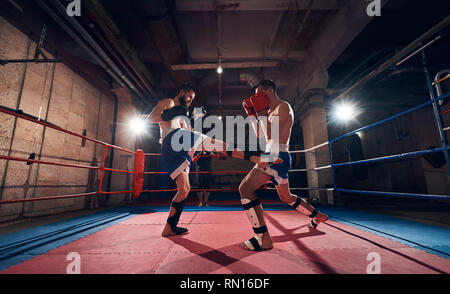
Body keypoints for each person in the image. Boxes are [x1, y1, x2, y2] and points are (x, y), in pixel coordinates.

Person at [148, 84, 281, 237]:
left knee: (184, 190)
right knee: (217, 143)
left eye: (193, 98)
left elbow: (193, 137)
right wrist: (170, 113)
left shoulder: (185, 115)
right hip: (172, 140)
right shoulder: (169, 103)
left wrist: (207, 149)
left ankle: (169, 227)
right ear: (182, 92)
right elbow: (151, 118)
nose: (191, 100)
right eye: (189, 96)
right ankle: (255, 157)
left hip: (181, 151)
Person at [238, 80, 329, 251]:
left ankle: (262, 238)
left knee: (245, 189)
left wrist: (260, 112)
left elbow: (272, 135)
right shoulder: (270, 111)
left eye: (261, 94)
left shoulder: (284, 107)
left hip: (276, 155)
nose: (258, 97)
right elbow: (260, 135)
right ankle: (318, 216)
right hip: (274, 155)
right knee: (285, 197)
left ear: (270, 90)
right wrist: (252, 114)